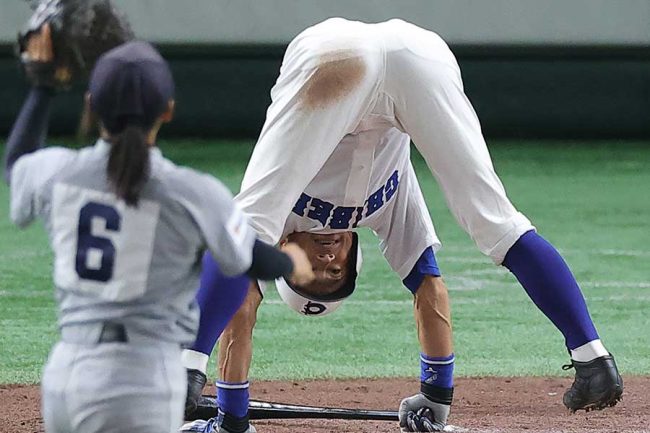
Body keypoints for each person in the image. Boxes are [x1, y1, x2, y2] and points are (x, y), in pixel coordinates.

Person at [181, 18, 623, 433]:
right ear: (353, 260)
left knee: (243, 232)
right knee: (496, 223)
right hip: (418, 56)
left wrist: (229, 415)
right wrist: (435, 398)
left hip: (332, 54)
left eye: (308, 272)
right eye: (334, 273)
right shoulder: (386, 210)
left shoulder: (280, 220)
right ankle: (592, 357)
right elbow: (429, 286)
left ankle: (184, 369)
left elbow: (242, 295)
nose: (326, 260)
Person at [4, 27, 314, 433]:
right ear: (167, 111)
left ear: (91, 105)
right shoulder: (191, 192)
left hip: (69, 376)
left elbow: (17, 165)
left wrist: (42, 86)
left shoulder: (58, 173)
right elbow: (249, 260)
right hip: (145, 379)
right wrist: (289, 262)